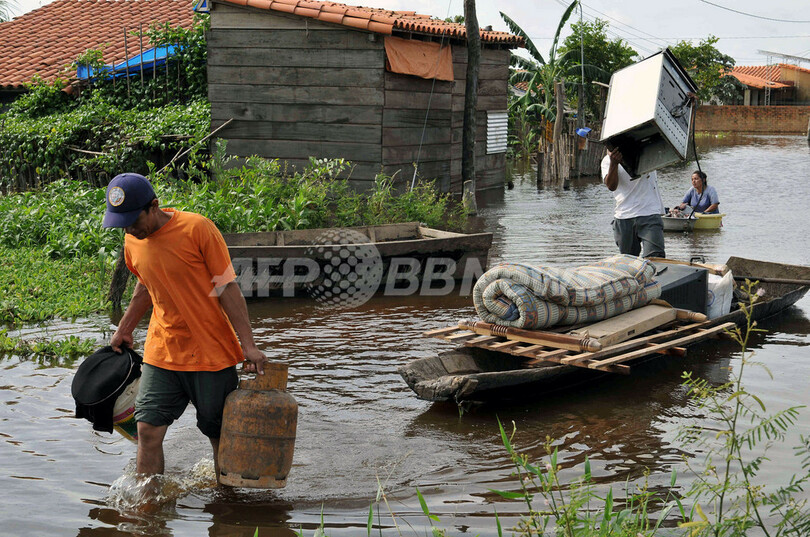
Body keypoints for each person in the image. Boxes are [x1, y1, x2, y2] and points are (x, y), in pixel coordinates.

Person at [102, 172, 266, 481]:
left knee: (218, 435)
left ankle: (226, 506)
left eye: (133, 219)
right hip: (162, 350)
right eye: (122, 222)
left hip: (210, 352)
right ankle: (148, 509)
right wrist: (125, 327)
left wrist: (249, 345)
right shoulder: (132, 240)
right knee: (147, 430)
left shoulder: (197, 229)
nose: (129, 228)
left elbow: (227, 287)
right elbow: (144, 286)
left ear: (154, 206)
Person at [601, 147, 666, 258]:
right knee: (628, 261)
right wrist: (614, 163)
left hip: (649, 213)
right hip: (624, 216)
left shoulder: (648, 151)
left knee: (655, 258)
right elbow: (611, 186)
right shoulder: (607, 160)